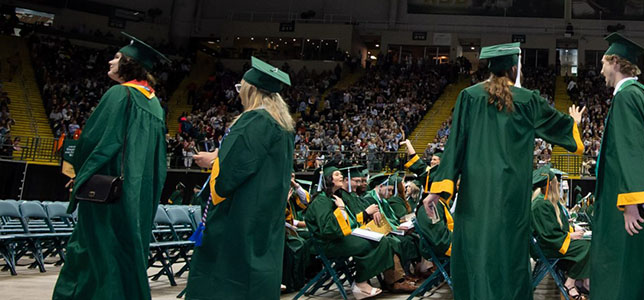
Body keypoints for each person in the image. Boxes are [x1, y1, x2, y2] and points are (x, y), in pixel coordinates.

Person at [421, 42, 585, 299]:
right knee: (509, 254)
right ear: (513, 68)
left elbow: (455, 146)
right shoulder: (528, 99)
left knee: (478, 251)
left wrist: (438, 190)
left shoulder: (469, 97)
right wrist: (573, 123)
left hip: (475, 193)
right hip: (511, 194)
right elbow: (561, 130)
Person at [53, 32, 169, 300]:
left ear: (129, 64)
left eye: (117, 58)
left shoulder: (120, 94)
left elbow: (96, 142)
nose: (110, 62)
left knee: (97, 248)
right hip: (136, 193)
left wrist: (80, 173)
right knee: (126, 248)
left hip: (108, 191)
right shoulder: (154, 105)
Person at [186, 57, 297, 299]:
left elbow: (230, 174)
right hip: (265, 215)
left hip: (240, 214)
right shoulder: (283, 126)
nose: (239, 93)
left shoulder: (254, 120)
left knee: (227, 276)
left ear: (252, 90)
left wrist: (215, 161)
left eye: (241, 87)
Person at [589, 33, 644, 300]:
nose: (600, 69)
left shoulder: (627, 98)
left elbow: (632, 152)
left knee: (621, 278)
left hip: (632, 208)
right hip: (643, 204)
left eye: (603, 62)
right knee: (642, 279)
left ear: (615, 61)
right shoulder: (642, 98)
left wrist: (632, 203)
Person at [306, 166, 413, 299]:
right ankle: (361, 283)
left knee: (381, 240)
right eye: (337, 174)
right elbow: (328, 230)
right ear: (328, 179)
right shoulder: (322, 201)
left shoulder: (332, 197)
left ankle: (362, 281)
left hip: (338, 238)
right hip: (327, 243)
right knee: (372, 243)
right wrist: (341, 209)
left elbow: (345, 224)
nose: (341, 177)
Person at [530, 165, 592, 299]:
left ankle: (582, 281)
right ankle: (570, 283)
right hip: (547, 246)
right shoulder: (542, 204)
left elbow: (555, 227)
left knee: (584, 243)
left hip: (548, 243)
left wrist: (571, 232)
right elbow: (549, 234)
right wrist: (570, 236)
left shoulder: (544, 201)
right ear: (550, 185)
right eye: (556, 182)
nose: (558, 184)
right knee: (587, 247)